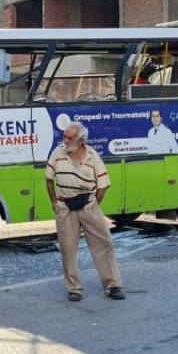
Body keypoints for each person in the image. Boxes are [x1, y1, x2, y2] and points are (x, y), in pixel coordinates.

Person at [44, 120, 126, 303]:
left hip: (88, 205)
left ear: (81, 140)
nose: (65, 140)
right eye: (64, 136)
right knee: (67, 249)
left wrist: (93, 204)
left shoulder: (92, 156)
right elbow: (48, 179)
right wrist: (54, 203)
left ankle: (113, 286)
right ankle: (74, 289)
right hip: (65, 207)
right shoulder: (57, 154)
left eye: (69, 137)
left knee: (104, 244)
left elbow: (103, 185)